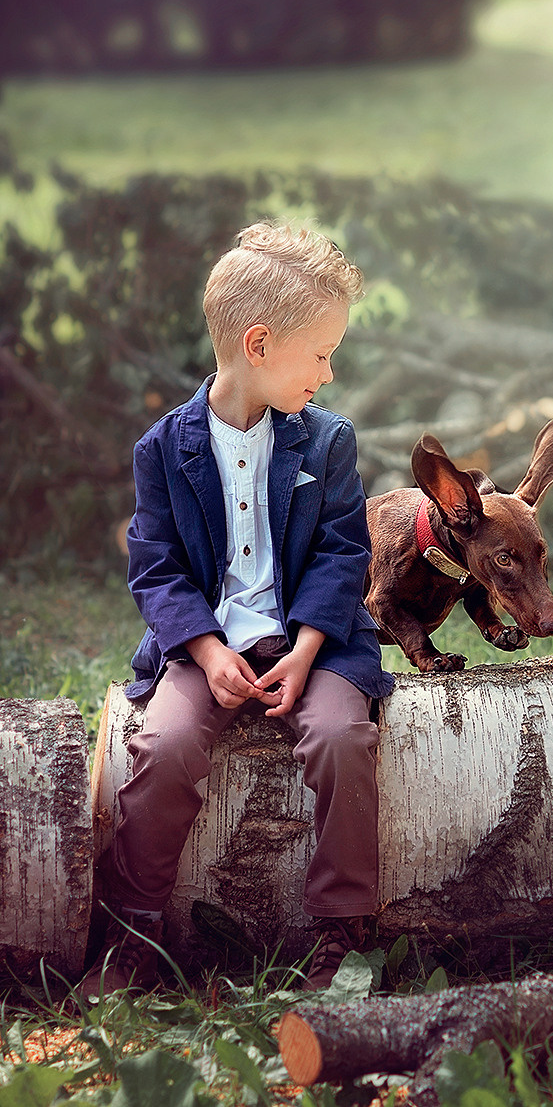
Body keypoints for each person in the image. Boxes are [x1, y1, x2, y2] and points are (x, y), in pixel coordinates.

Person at [77, 221, 393, 1000]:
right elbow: (155, 567)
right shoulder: (163, 449)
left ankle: (342, 931)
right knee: (164, 744)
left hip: (315, 641)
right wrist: (209, 651)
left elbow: (343, 553)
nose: (328, 371)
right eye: (320, 353)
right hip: (206, 644)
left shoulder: (328, 442)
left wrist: (308, 648)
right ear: (259, 345)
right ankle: (133, 931)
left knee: (341, 737)